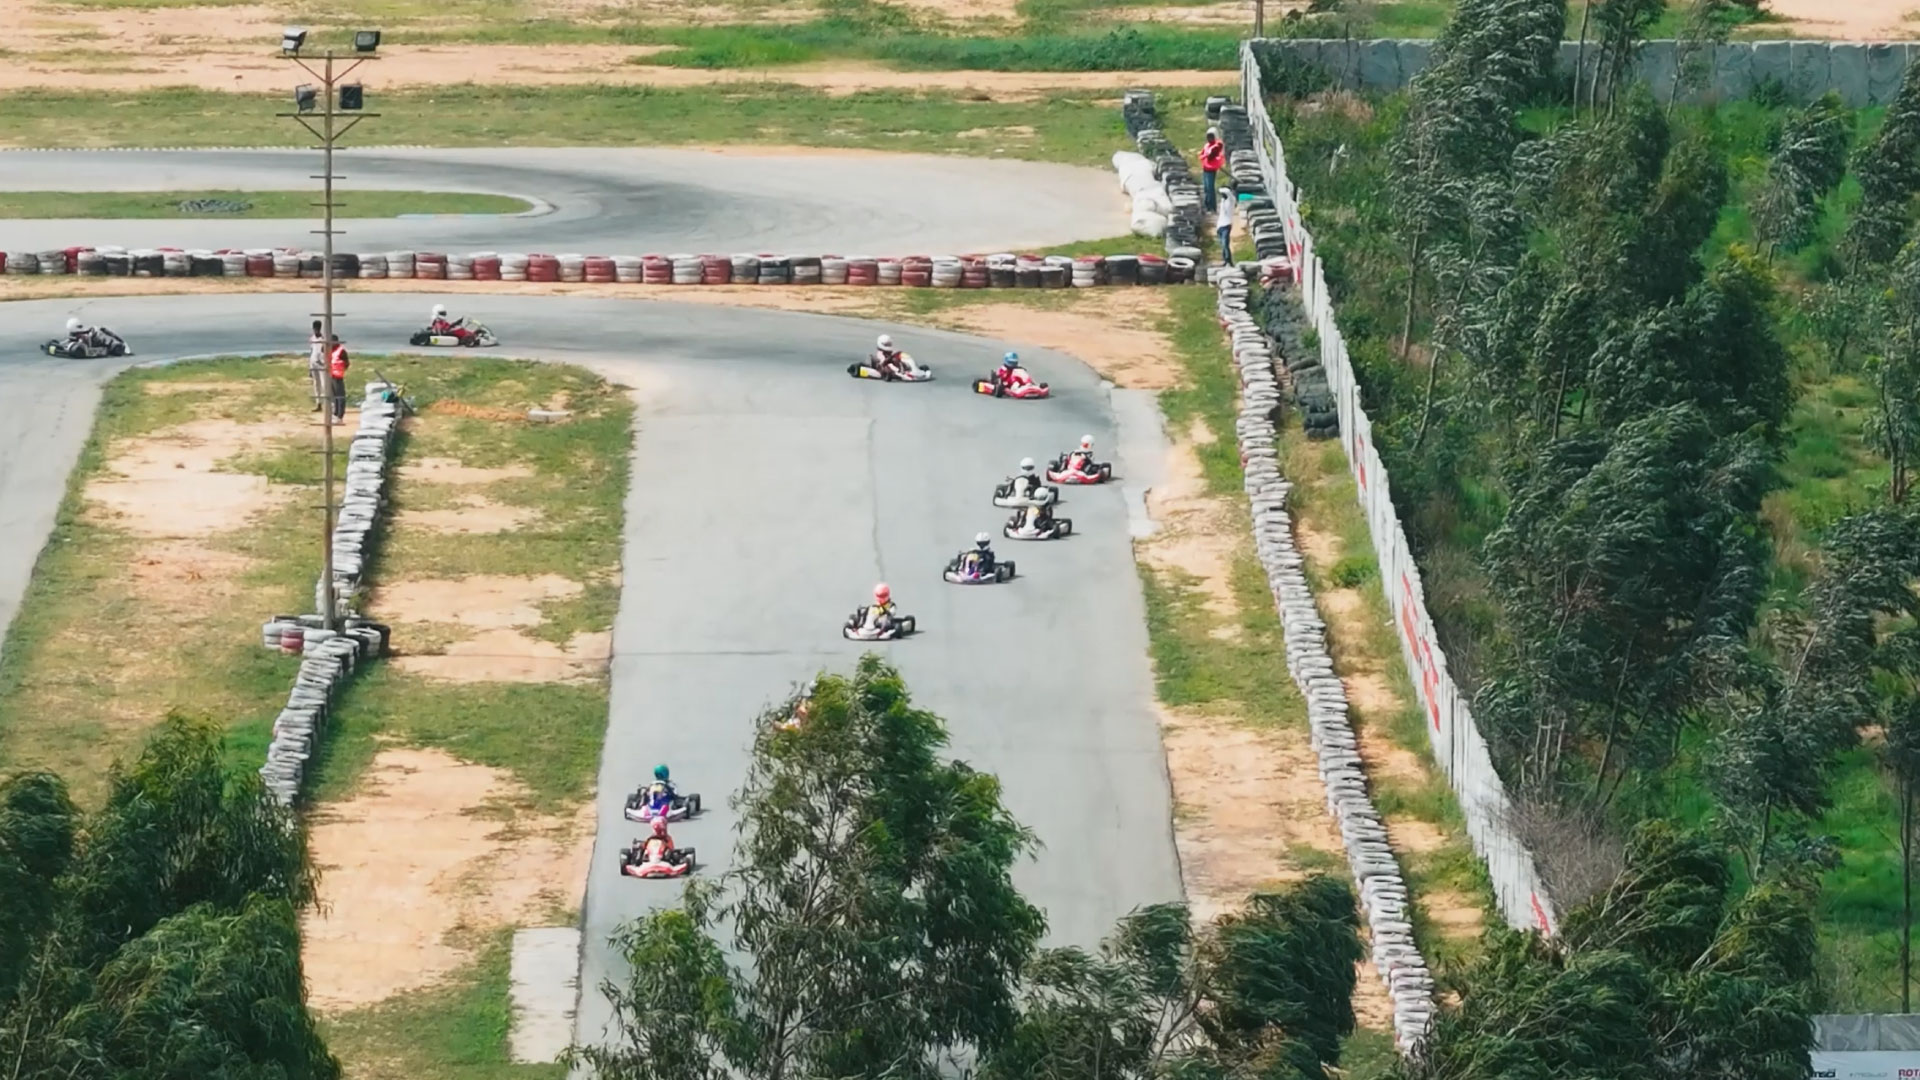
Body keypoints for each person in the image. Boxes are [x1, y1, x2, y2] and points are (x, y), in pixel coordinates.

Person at [1200, 127, 1225, 212]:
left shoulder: (1216, 146)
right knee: (1206, 188)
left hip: (1211, 170)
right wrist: (1204, 156)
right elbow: (1202, 155)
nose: (1209, 139)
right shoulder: (1207, 146)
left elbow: (1213, 154)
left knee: (1210, 188)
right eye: (1208, 137)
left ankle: (1212, 207)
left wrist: (1207, 155)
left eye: (1211, 137)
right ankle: (1207, 205)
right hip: (1205, 169)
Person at [326, 334, 350, 422]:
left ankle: (340, 416)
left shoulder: (341, 351)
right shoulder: (331, 350)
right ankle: (335, 414)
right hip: (331, 375)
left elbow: (346, 363)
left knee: (340, 396)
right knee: (334, 396)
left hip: (338, 376)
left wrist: (341, 369)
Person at [307, 320, 326, 412]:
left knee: (324, 384)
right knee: (316, 384)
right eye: (315, 328)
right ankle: (318, 404)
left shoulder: (324, 338)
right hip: (313, 362)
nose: (316, 330)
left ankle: (328, 404)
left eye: (318, 328)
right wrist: (309, 367)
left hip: (322, 363)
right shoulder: (312, 338)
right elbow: (311, 351)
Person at [1216, 190, 1236, 266]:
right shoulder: (1223, 201)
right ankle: (1225, 259)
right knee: (1222, 244)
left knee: (1225, 244)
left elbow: (1228, 192)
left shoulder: (1231, 200)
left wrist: (1224, 190)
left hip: (1226, 225)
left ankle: (1228, 260)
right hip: (1220, 225)